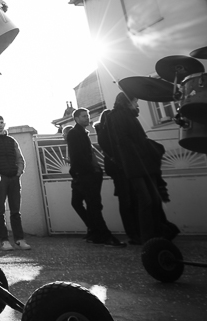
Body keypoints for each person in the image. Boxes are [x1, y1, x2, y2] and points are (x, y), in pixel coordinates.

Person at [96, 93, 178, 246]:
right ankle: (148, 238)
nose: (137, 104)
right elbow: (123, 141)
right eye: (135, 101)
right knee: (146, 200)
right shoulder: (119, 116)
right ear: (128, 102)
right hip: (135, 163)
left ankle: (154, 234)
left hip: (141, 162)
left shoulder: (128, 115)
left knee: (152, 199)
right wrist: (142, 150)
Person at [65, 109, 125, 246]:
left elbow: (82, 155)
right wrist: (86, 171)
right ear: (76, 119)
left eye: (87, 116)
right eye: (84, 116)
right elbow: (77, 155)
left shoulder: (82, 133)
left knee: (91, 205)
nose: (87, 118)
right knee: (88, 204)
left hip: (86, 174)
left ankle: (98, 233)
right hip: (85, 174)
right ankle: (100, 233)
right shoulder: (75, 133)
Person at [0, 115, 31, 250]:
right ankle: (4, 241)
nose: (0, 125)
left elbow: (19, 158)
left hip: (14, 178)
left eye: (2, 122)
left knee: (15, 211)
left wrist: (18, 172)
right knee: (0, 210)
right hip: (0, 180)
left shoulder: (11, 140)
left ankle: (19, 239)